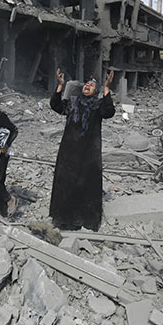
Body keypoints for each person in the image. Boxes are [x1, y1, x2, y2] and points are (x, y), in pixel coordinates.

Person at [49, 68, 115, 231]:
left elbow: (109, 112)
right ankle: (63, 219)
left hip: (88, 153)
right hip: (69, 151)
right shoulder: (72, 102)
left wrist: (107, 88)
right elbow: (55, 105)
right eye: (87, 84)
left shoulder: (98, 105)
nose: (88, 85)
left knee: (86, 184)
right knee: (66, 182)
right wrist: (60, 86)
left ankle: (84, 220)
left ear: (96, 92)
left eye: (92, 86)